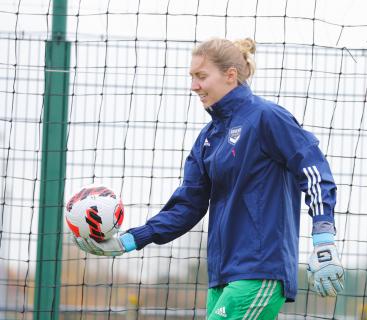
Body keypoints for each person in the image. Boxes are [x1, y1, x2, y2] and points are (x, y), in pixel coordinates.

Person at [72, 37, 344, 319]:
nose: (194, 86)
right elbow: (187, 206)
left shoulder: (267, 118)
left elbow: (314, 171)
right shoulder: (208, 139)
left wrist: (323, 238)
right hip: (222, 275)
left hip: (260, 270)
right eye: (192, 77)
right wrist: (129, 240)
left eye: (201, 76)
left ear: (230, 75)